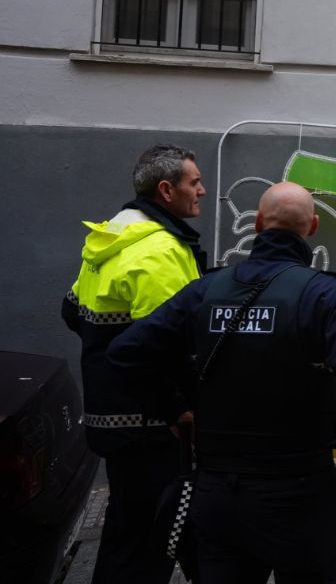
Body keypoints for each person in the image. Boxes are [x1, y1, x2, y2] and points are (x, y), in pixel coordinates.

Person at [107, 181, 336, 584]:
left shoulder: (206, 290)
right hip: (300, 494)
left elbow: (126, 353)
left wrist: (172, 408)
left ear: (257, 223)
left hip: (218, 495)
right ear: (312, 227)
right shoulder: (326, 296)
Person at [62, 143, 207, 584]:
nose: (202, 190)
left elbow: (72, 310)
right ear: (166, 190)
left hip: (112, 417)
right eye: (194, 181)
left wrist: (105, 350)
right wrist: (178, 408)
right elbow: (167, 347)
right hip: (151, 426)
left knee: (132, 528)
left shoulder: (111, 237)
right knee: (154, 536)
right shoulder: (158, 251)